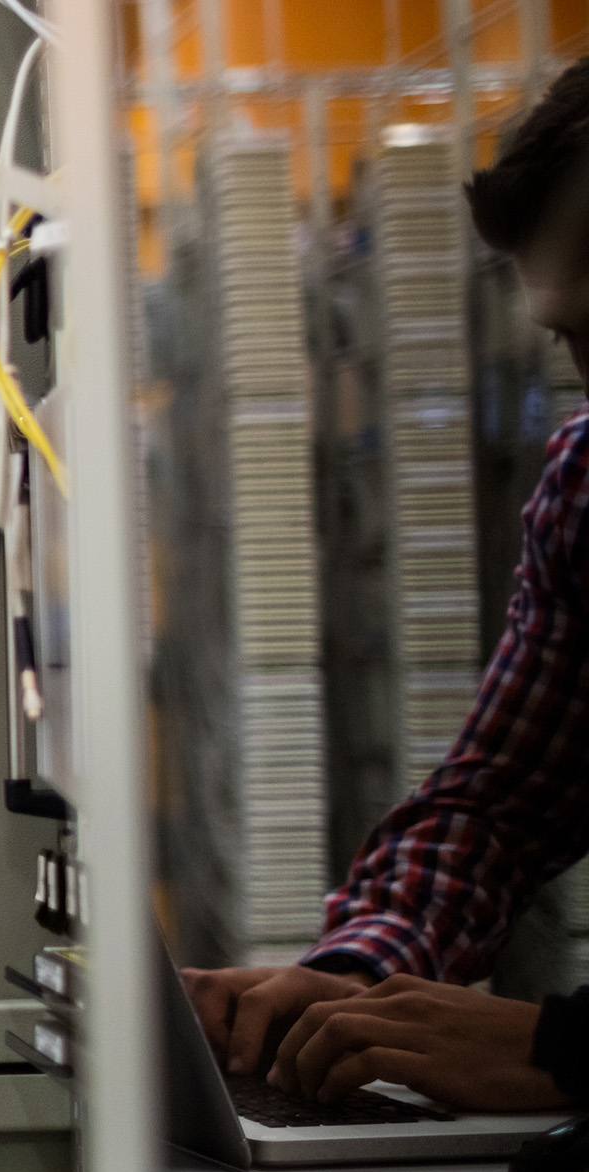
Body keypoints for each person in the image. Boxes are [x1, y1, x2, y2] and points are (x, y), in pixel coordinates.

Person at [181, 58, 589, 1115]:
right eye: (570, 342)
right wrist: (348, 978)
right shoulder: (585, 488)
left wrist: (565, 1052)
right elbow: (499, 806)